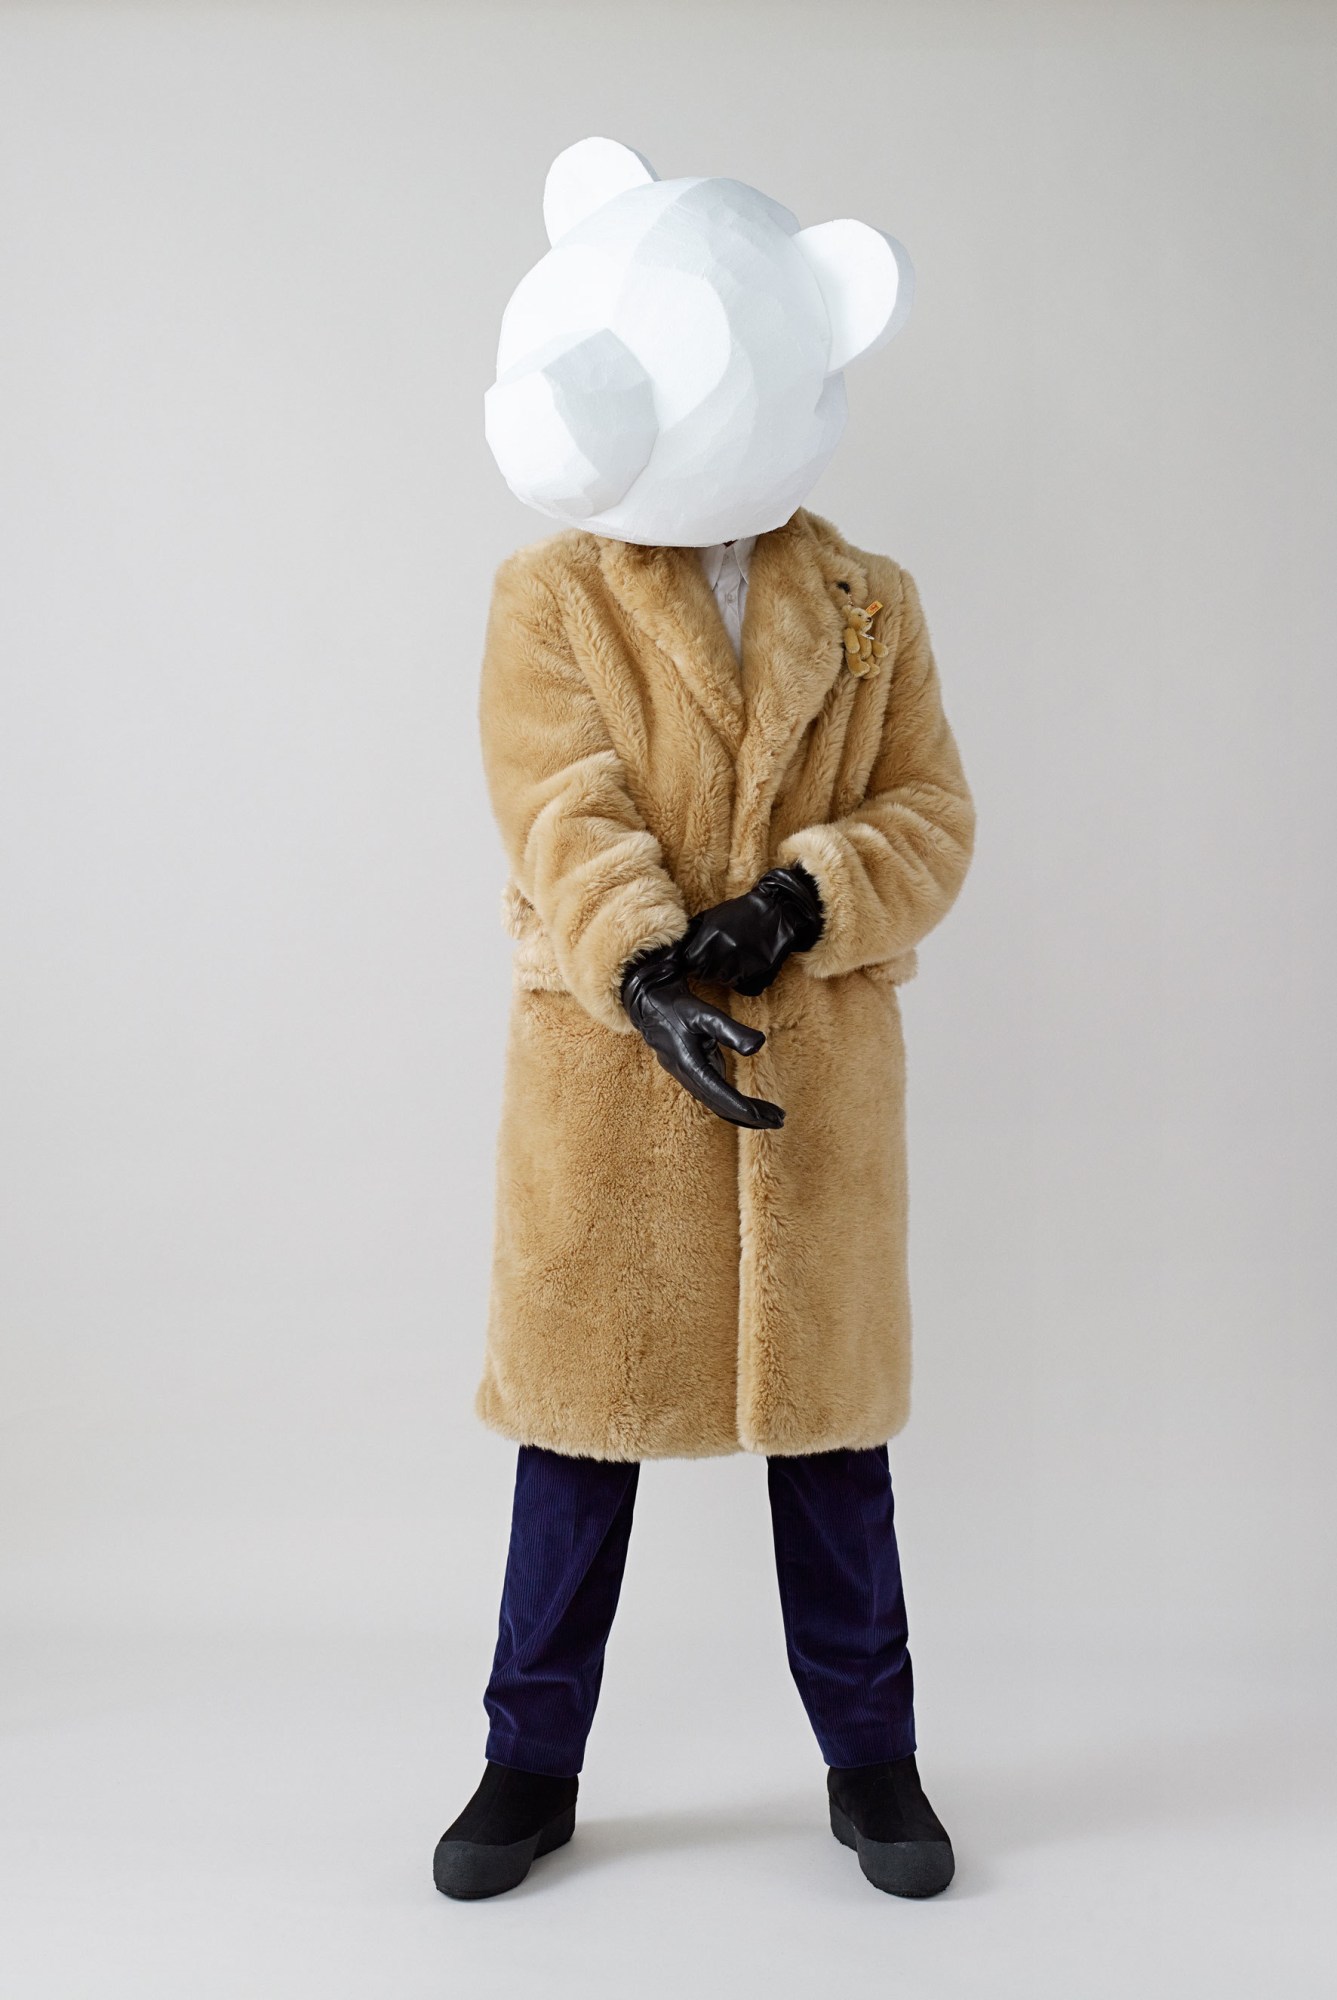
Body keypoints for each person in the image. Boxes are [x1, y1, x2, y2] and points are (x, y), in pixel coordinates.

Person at [433, 142, 976, 1901]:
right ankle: (526, 1764)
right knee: (576, 1442)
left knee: (832, 1453)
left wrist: (797, 905)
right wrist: (649, 963)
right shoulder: (550, 592)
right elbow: (556, 803)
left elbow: (929, 814)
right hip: (608, 1081)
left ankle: (873, 1762)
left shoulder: (872, 603)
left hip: (817, 1085)